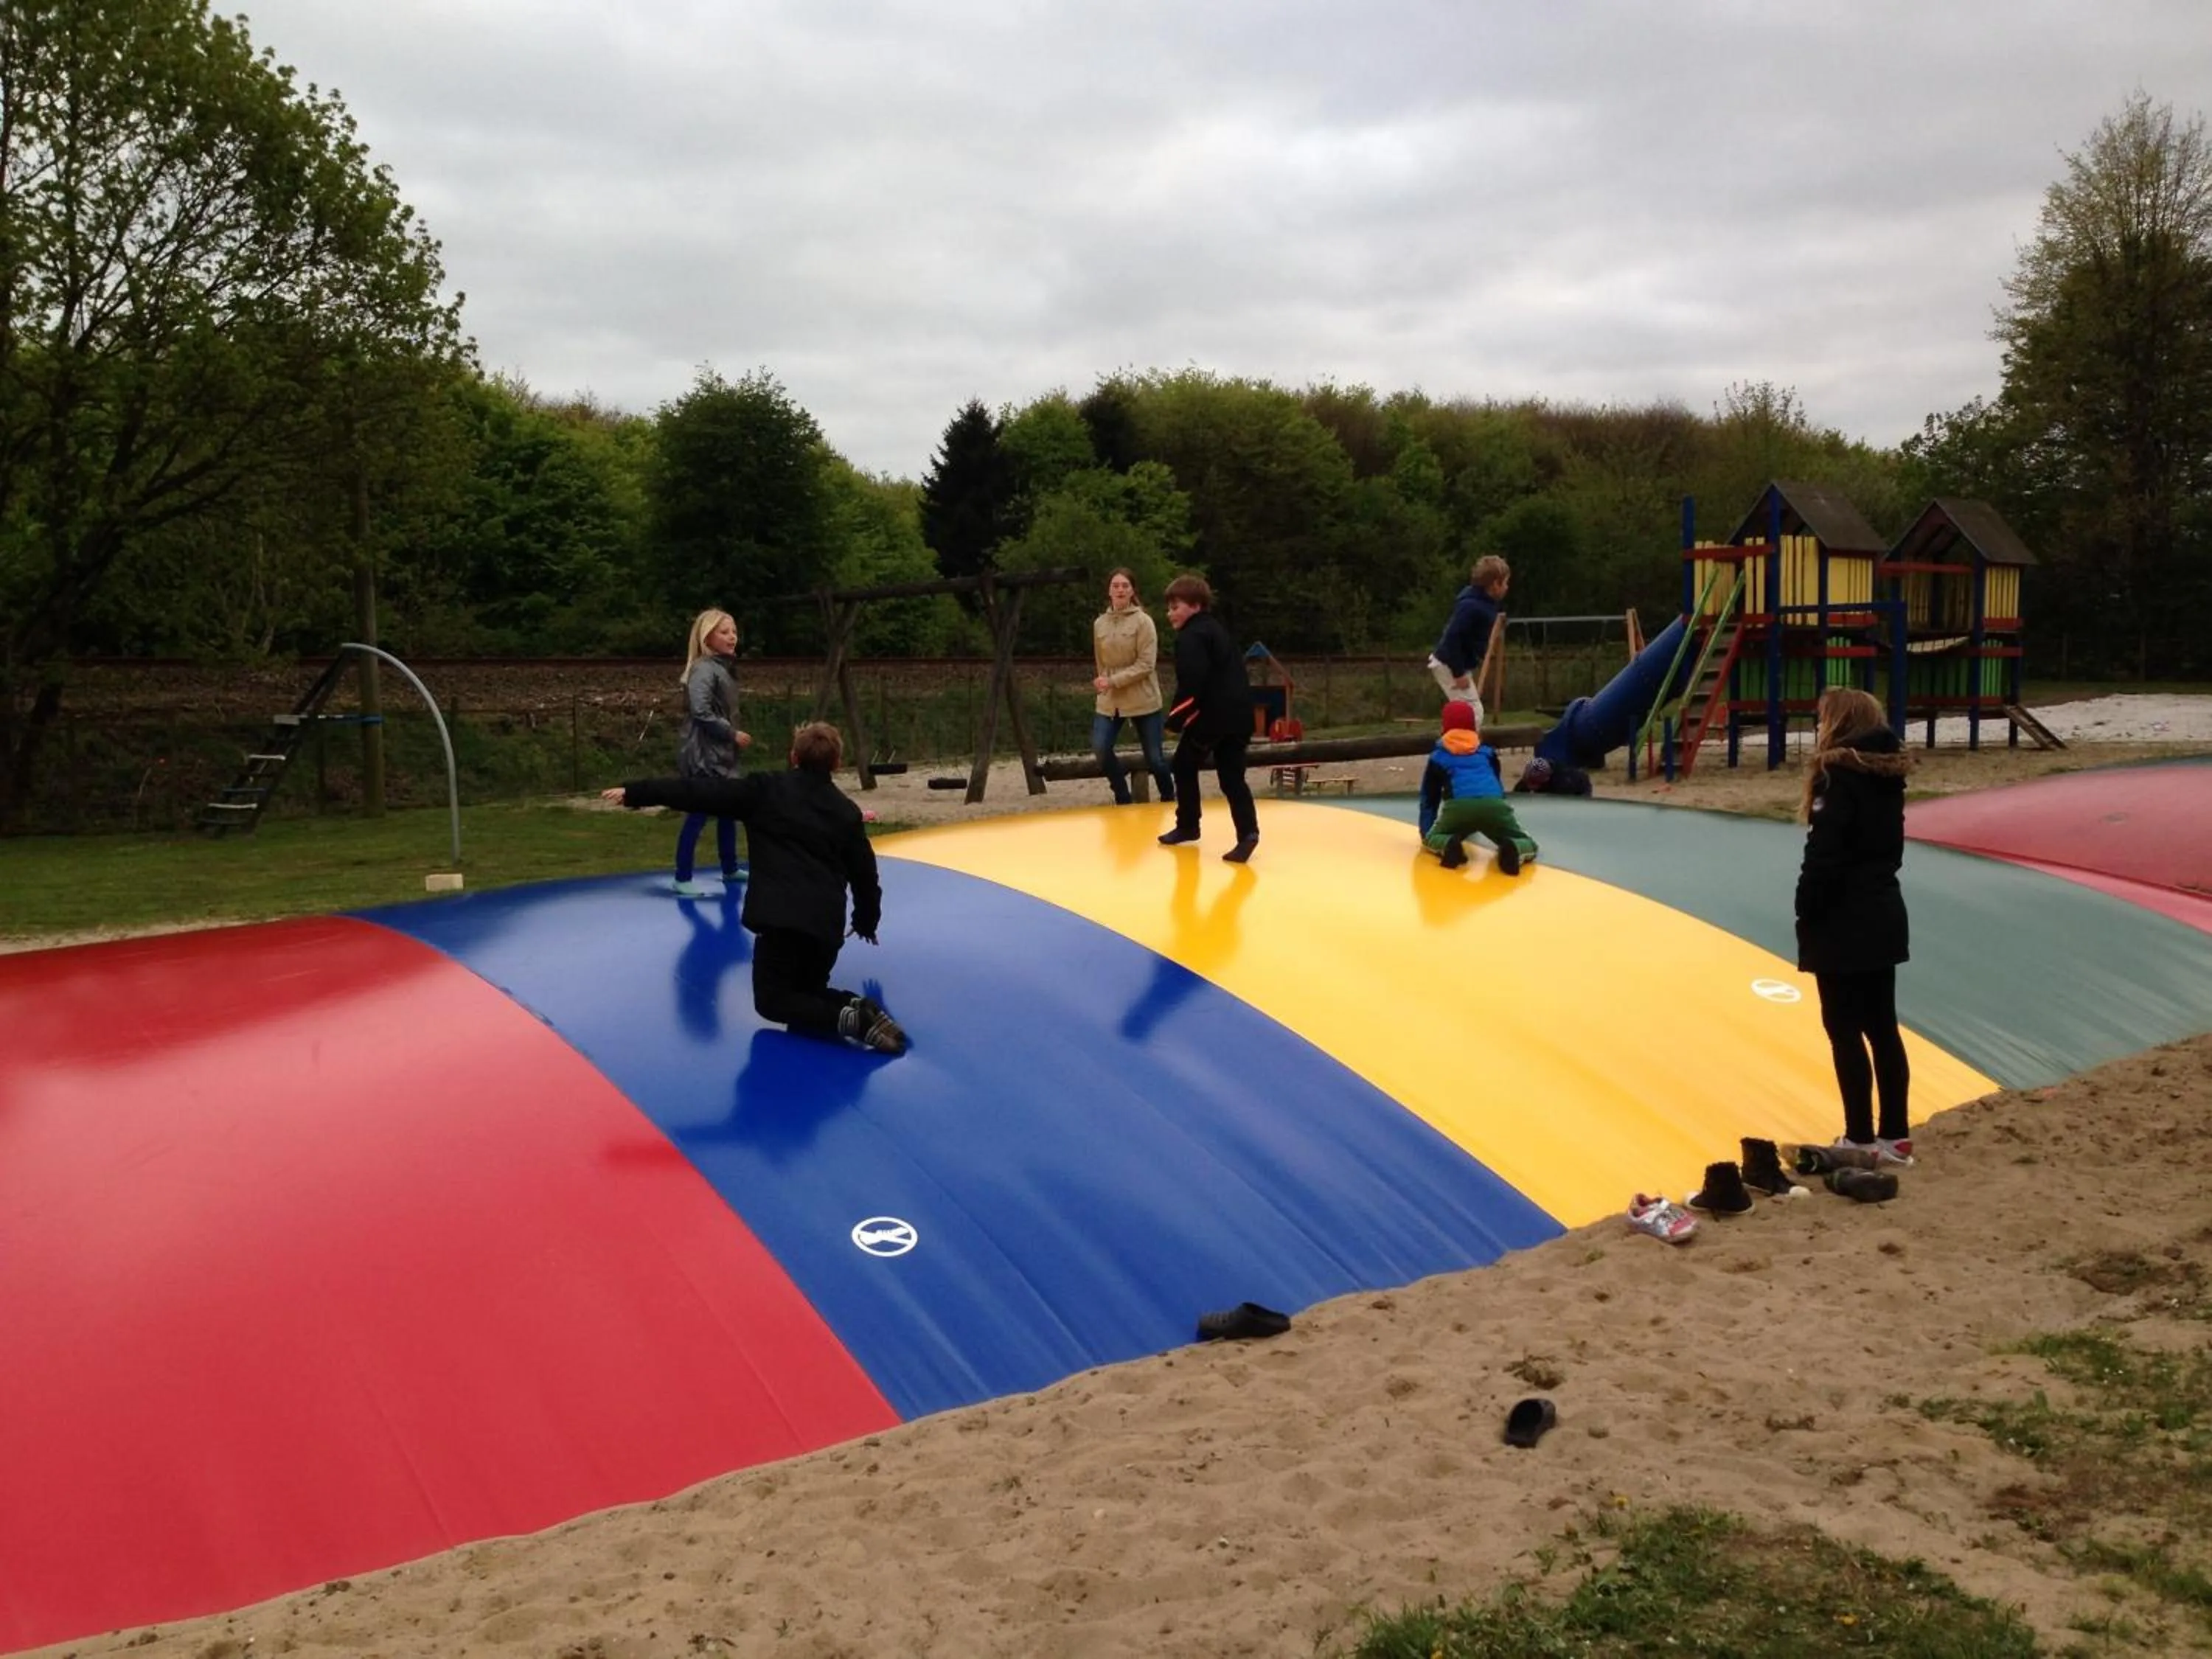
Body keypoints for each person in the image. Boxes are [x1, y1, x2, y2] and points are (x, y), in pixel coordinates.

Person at [602, 721, 906, 1055]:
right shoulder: (845, 812)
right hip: (823, 928)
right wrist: (866, 921)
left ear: (793, 757)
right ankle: (859, 1008)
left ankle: (856, 1021)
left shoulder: (764, 791)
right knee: (806, 993)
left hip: (780, 923)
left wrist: (636, 792)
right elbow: (865, 875)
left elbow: (698, 792)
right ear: (836, 764)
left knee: (772, 1002)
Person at [1795, 686, 1914, 1166]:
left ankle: (1861, 1136)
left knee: (1843, 1029)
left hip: (1844, 918)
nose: (1818, 726)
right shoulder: (1888, 777)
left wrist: (1806, 908)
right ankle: (1896, 1138)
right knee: (1882, 1026)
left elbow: (1825, 856)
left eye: (1822, 717)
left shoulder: (1838, 776)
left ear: (1838, 722)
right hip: (1884, 910)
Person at [1156, 574, 1259, 863]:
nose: (1170, 614)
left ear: (1196, 605)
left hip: (1214, 718)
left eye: (1175, 607)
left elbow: (1192, 684)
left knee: (1182, 765)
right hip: (1240, 716)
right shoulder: (1217, 630)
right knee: (1232, 777)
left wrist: (1174, 721)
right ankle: (1248, 834)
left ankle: (1188, 825)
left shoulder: (1192, 637)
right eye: (1169, 608)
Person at [671, 608, 752, 898]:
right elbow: (701, 710)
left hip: (721, 754)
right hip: (704, 754)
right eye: (724, 632)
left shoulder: (722, 668)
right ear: (707, 637)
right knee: (699, 813)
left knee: (728, 810)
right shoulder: (705, 669)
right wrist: (731, 733)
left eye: (733, 631)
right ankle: (682, 876)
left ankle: (729, 867)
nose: (732, 637)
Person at [1417, 700, 1539, 874]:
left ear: (1444, 726)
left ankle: (1448, 844)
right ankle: (1515, 847)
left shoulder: (1438, 756)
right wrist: (1502, 813)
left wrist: (1426, 832)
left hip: (1459, 808)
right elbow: (1496, 784)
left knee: (1434, 837)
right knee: (1527, 842)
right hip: (1494, 804)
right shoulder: (1487, 752)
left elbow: (1429, 798)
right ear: (1474, 726)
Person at [1090, 568, 1175, 806]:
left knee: (1155, 759)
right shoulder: (1100, 624)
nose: (1120, 589)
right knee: (1100, 749)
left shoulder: (1144, 622)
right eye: (1116, 585)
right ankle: (1123, 796)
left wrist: (1113, 680)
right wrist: (1101, 680)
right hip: (1110, 700)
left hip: (1143, 698)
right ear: (1109, 590)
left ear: (1132, 591)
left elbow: (1146, 665)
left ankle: (1170, 799)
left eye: (1125, 586)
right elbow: (1100, 660)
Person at [1427, 554, 1511, 719]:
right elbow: (1453, 637)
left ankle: (1458, 741)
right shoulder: (1471, 606)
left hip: (1455, 662)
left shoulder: (1482, 603)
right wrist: (1458, 673)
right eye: (1505, 583)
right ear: (1495, 584)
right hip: (1449, 663)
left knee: (1467, 712)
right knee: (1473, 713)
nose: (1507, 587)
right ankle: (1461, 743)